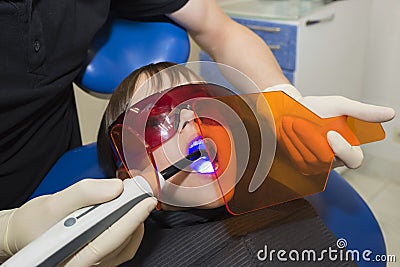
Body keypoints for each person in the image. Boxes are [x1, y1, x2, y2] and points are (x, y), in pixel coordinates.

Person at [0, 0, 395, 265]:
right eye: (161, 119)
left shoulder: (282, 204)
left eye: (204, 105)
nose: (193, 120)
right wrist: (8, 233)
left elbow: (218, 28)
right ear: (128, 173)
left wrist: (282, 98)